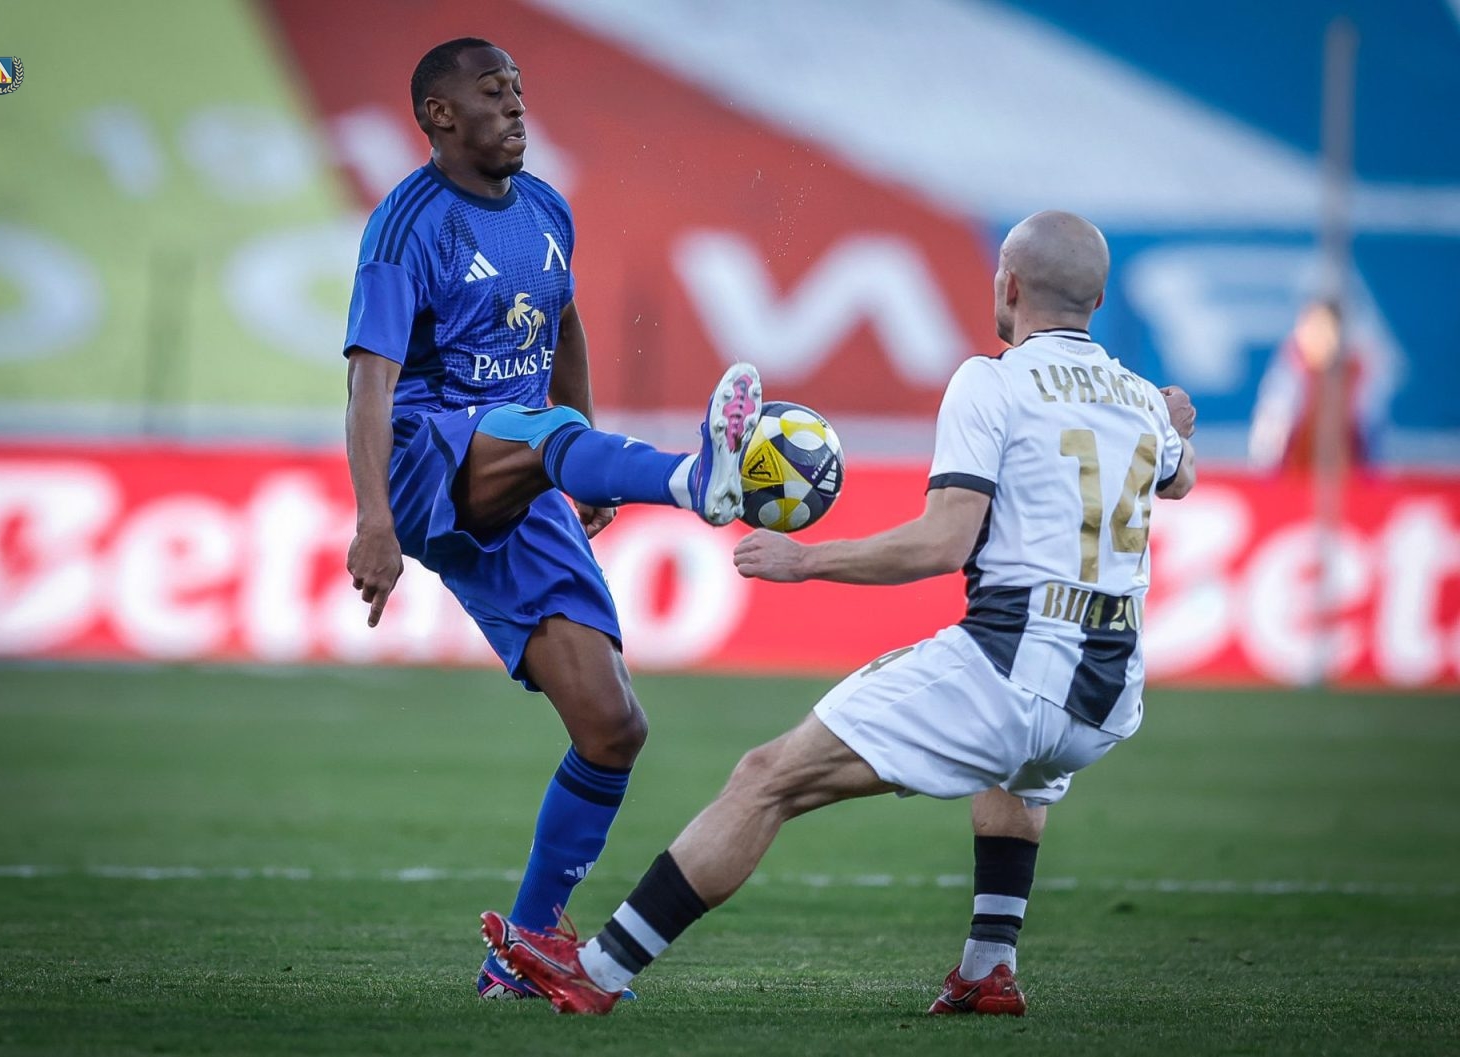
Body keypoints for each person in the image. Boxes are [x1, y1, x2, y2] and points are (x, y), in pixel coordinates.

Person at [480, 211, 1198, 1016]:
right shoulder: (1141, 400)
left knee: (767, 778)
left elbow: (943, 542)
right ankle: (988, 966)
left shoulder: (992, 381)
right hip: (1107, 689)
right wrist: (1174, 426)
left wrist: (807, 560)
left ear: (1008, 285)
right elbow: (1177, 475)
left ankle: (599, 969)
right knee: (1020, 768)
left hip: (1012, 666)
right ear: (1097, 299)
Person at [342, 37, 762, 1000]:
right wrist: (373, 519)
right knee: (541, 430)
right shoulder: (405, 226)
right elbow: (370, 382)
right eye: (494, 93)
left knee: (613, 726)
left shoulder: (546, 210)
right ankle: (694, 480)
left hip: (523, 466)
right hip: (424, 456)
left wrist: (585, 467)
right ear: (440, 115)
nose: (516, 108)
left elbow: (564, 327)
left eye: (520, 92)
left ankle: (522, 950)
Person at [1247, 298, 1372, 476]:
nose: (1316, 337)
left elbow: (1372, 436)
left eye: (1324, 329)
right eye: (1310, 328)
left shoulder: (1357, 373)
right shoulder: (1290, 370)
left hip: (1349, 480)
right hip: (1294, 478)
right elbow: (1269, 431)